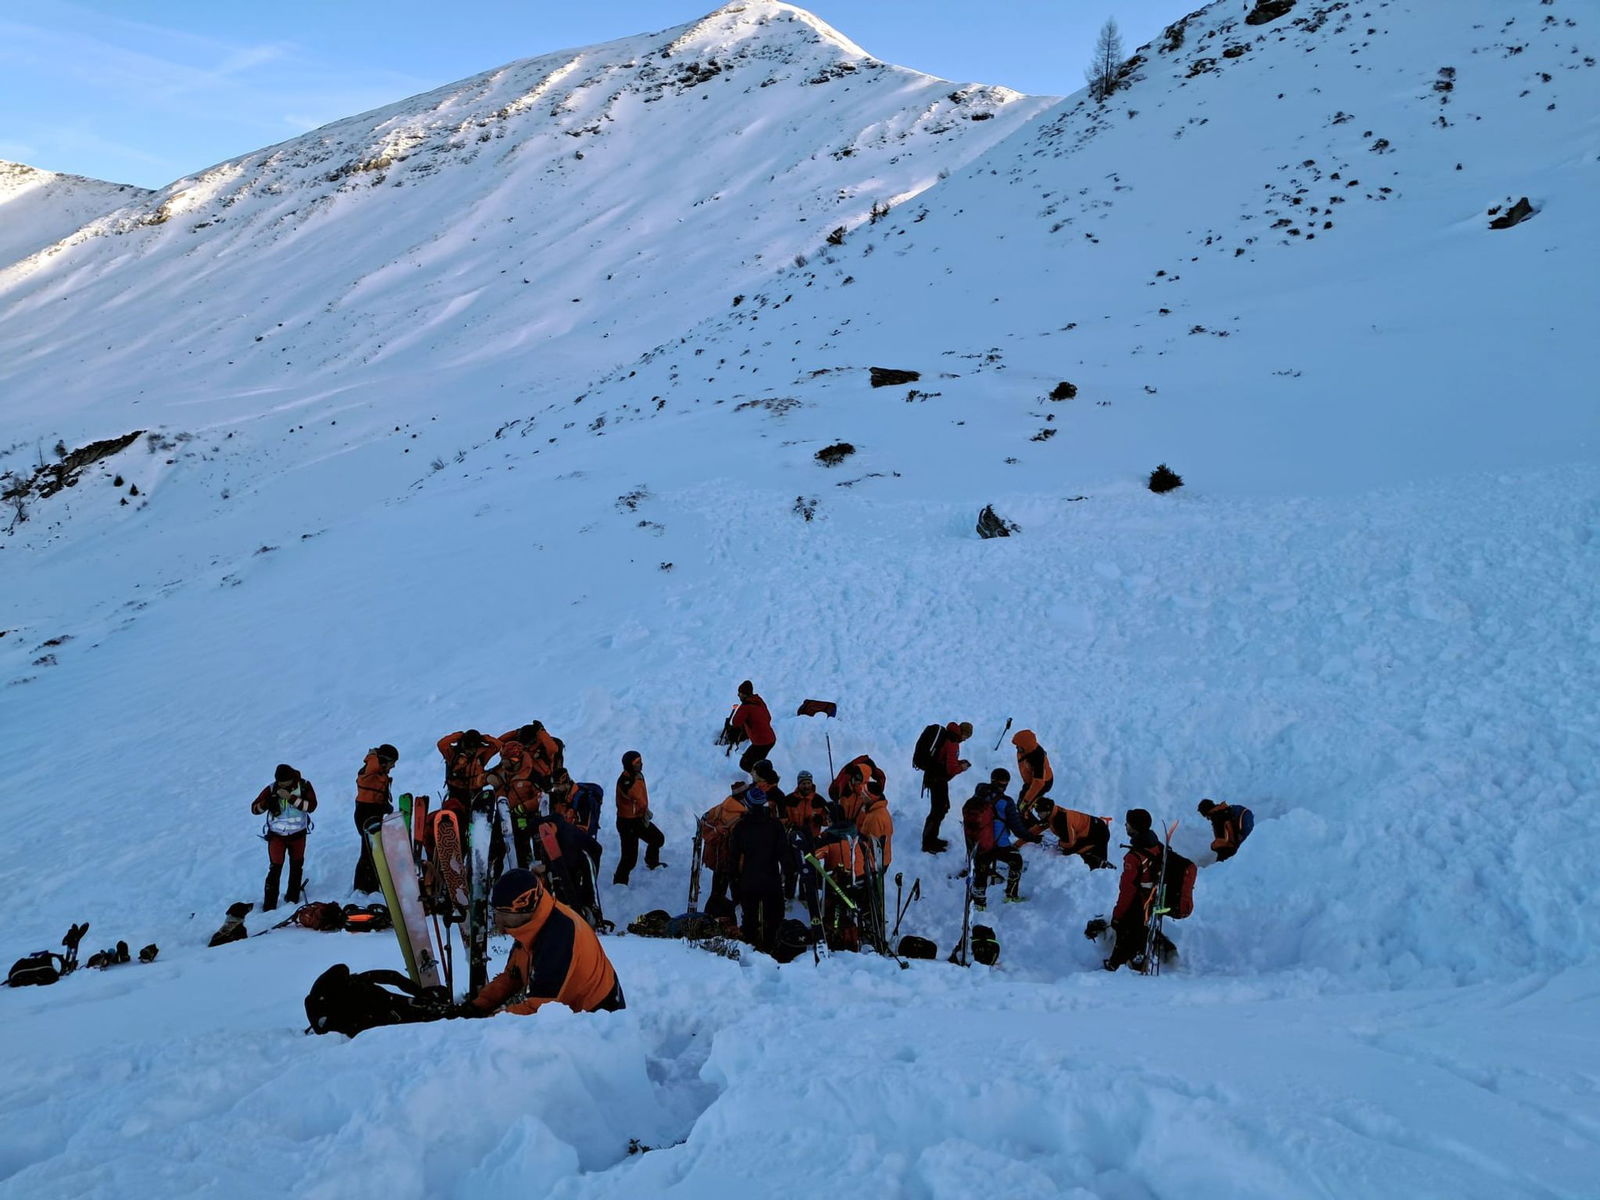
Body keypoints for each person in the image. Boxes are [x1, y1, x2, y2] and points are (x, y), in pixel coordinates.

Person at [464, 869, 624, 1016]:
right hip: (572, 1011)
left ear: (525, 909)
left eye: (503, 914)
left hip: (600, 1019)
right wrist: (477, 1006)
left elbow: (538, 1010)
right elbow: (512, 977)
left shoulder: (558, 936)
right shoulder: (533, 925)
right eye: (496, 912)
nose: (497, 921)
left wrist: (489, 1021)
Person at [1104, 809, 1174, 973]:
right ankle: (1138, 958)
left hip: (1138, 901)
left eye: (1128, 823)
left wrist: (1118, 914)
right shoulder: (1156, 845)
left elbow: (1127, 890)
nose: (1125, 825)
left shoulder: (1134, 857)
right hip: (1153, 898)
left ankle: (1116, 965)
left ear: (1134, 827)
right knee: (1140, 930)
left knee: (1124, 929)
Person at [727, 783, 792, 953]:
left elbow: (733, 858)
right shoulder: (775, 825)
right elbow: (784, 853)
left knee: (749, 921)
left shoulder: (741, 827)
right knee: (774, 919)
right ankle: (772, 949)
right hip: (771, 878)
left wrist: (734, 883)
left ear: (748, 804)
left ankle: (750, 952)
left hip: (749, 879)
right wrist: (788, 875)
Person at [250, 764, 318, 911]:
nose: (281, 785)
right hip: (276, 837)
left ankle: (293, 898)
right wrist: (267, 803)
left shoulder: (304, 786)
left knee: (296, 866)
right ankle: (269, 905)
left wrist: (291, 798)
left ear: (292, 779)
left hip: (298, 835)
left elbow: (311, 806)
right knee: (275, 869)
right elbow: (254, 809)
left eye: (284, 782)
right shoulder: (271, 788)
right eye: (279, 782)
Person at [972, 768, 1036, 908]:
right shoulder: (1006, 802)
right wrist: (1032, 837)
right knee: (1016, 861)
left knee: (981, 870)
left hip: (981, 844)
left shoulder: (978, 795)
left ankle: (979, 903)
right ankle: (1011, 894)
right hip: (1000, 846)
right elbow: (1017, 828)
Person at [700, 780, 751, 918]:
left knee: (718, 889)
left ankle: (712, 915)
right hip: (727, 859)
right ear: (742, 795)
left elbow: (704, 818)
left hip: (718, 857)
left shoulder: (722, 806)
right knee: (727, 890)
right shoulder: (738, 814)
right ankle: (714, 916)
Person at [919, 721, 972, 854]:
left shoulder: (948, 736)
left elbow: (945, 760)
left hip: (933, 776)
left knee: (941, 808)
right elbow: (950, 769)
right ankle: (928, 843)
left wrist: (958, 763)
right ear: (964, 733)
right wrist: (962, 767)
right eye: (966, 737)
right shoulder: (953, 742)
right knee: (939, 809)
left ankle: (931, 839)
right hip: (938, 779)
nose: (965, 740)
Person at [613, 751, 665, 885]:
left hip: (638, 819)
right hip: (627, 823)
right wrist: (643, 810)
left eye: (640, 761)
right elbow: (634, 795)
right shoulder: (627, 781)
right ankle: (619, 882)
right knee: (629, 859)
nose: (641, 764)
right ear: (629, 765)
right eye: (637, 763)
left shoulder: (636, 776)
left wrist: (644, 812)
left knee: (657, 839)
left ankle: (652, 862)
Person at [352, 744, 398, 894]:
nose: (393, 767)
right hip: (365, 814)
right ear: (383, 761)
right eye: (392, 763)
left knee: (373, 849)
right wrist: (374, 755)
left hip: (373, 812)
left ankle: (370, 885)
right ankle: (363, 887)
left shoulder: (377, 772)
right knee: (369, 851)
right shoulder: (369, 770)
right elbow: (372, 765)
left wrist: (385, 806)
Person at [1029, 796, 1113, 869]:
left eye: (1039, 812)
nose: (1038, 815)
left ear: (1047, 811)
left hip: (1099, 834)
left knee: (1072, 851)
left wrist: (1059, 843)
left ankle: (1099, 867)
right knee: (1075, 849)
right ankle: (1101, 864)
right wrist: (1026, 836)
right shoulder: (1054, 812)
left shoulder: (1060, 820)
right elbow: (1038, 827)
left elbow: (1070, 843)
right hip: (1096, 827)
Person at [436, 729, 501, 817]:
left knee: (474, 816)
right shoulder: (453, 754)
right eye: (467, 748)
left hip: (476, 792)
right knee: (457, 815)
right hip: (456, 793)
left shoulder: (481, 755)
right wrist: (459, 736)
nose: (469, 751)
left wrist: (484, 738)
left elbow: (498, 745)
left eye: (472, 749)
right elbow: (441, 744)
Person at [729, 681, 776, 773]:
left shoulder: (745, 707)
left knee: (745, 764)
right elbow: (768, 717)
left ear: (744, 694)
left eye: (740, 693)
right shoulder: (758, 700)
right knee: (756, 764)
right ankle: (761, 778)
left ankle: (761, 779)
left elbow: (735, 722)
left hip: (761, 743)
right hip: (770, 739)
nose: (738, 695)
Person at [1011, 729, 1054, 815]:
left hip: (1042, 784)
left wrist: (1026, 801)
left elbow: (1038, 783)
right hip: (1031, 782)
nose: (1017, 748)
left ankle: (1026, 817)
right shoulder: (1027, 750)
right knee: (1022, 800)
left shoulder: (1037, 759)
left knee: (1025, 807)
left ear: (1026, 747)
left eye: (1019, 746)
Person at [1198, 798, 1254, 862]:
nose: (1208, 819)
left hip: (1230, 850)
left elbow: (1224, 841)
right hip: (1241, 840)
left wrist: (1213, 846)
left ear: (1208, 812)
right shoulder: (1225, 809)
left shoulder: (1217, 817)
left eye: (1207, 817)